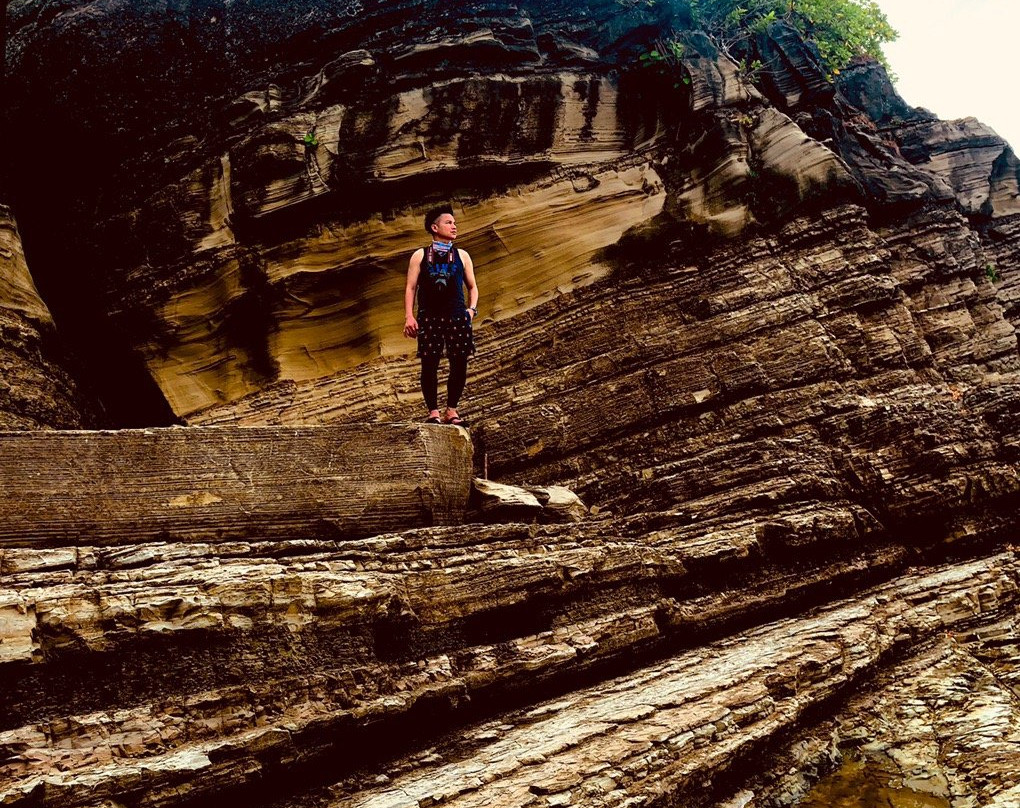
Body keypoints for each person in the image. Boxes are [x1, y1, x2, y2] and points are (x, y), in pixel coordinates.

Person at [403, 204, 479, 426]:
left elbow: (473, 287)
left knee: (459, 363)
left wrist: (471, 310)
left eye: (454, 223)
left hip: (457, 315)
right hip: (429, 316)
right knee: (429, 364)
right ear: (435, 227)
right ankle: (433, 412)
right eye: (449, 222)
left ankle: (452, 410)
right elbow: (410, 287)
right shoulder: (420, 255)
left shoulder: (462, 255)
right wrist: (409, 316)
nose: (454, 226)